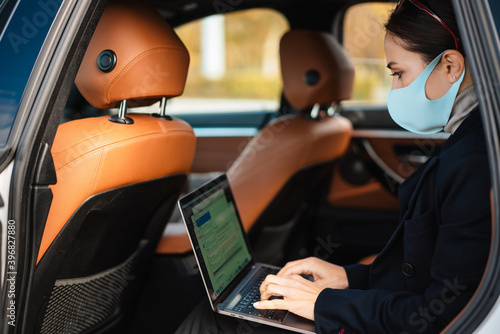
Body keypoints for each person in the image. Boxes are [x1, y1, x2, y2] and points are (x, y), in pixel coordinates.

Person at [175, 1, 491, 333]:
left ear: (451, 66)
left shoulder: (476, 162)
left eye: (398, 73)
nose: (395, 88)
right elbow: (426, 281)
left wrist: (321, 303)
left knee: (211, 321)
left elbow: (443, 318)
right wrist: (345, 277)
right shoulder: (471, 142)